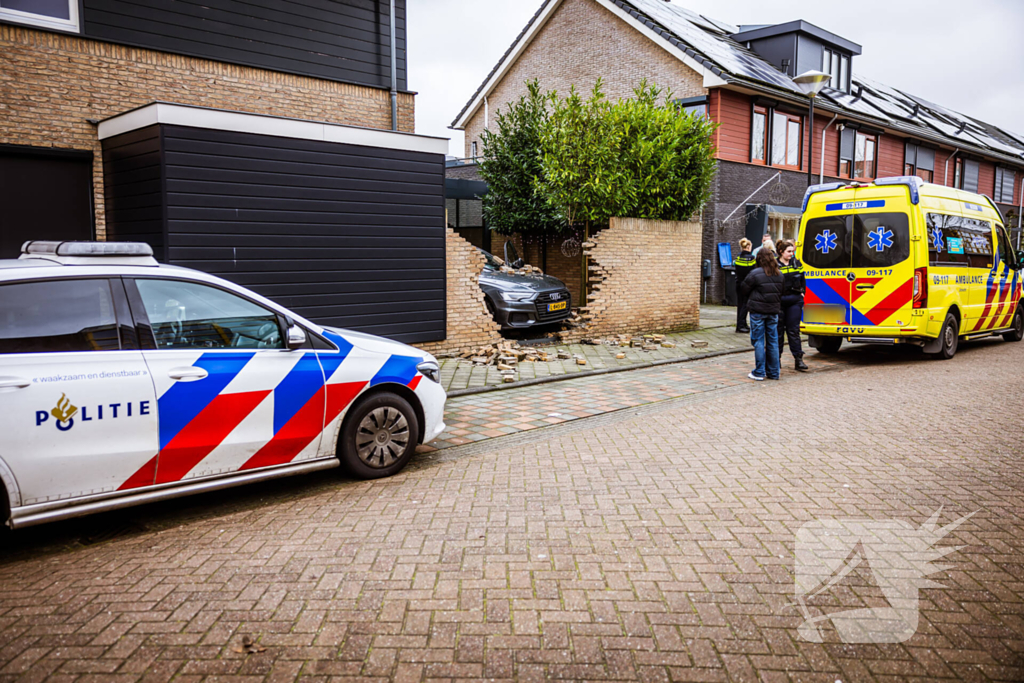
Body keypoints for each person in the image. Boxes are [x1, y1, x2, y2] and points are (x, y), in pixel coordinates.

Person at [738, 249, 783, 381]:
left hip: (757, 311)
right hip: (773, 311)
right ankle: (774, 372)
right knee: (773, 341)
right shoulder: (779, 274)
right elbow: (782, 292)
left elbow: (744, 289)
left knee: (758, 341)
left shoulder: (755, 274)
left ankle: (759, 372)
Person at [776, 240, 808, 372]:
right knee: (778, 332)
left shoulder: (796, 263)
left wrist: (802, 293)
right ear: (781, 252)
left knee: (793, 331)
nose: (791, 254)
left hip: (794, 300)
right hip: (779, 301)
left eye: (792, 251)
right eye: (789, 251)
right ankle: (776, 360)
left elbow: (803, 279)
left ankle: (798, 359)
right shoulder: (775, 265)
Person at [733, 238, 755, 333]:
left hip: (738, 283)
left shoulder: (738, 257)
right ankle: (741, 325)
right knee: (745, 305)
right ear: (748, 246)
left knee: (740, 304)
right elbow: (752, 271)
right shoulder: (751, 258)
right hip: (747, 285)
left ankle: (742, 324)